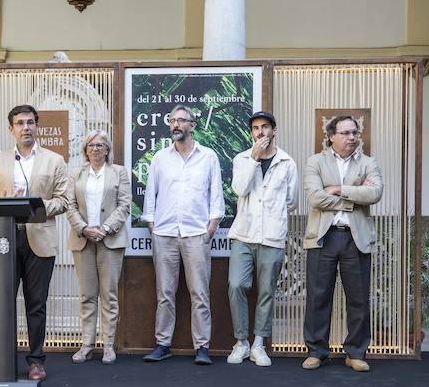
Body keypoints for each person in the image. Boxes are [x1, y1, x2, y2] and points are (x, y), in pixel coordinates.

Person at [0, 104, 68, 383]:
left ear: (37, 126)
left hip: (39, 238)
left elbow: (63, 200)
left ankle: (36, 361)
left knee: (36, 304)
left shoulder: (54, 160)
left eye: (30, 122)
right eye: (20, 123)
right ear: (11, 129)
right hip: (5, 239)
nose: (26, 127)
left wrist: (34, 205)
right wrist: (7, 205)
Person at [142, 104, 224, 366]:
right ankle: (162, 344)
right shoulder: (160, 158)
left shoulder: (208, 157)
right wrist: (152, 225)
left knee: (199, 293)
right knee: (164, 293)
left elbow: (216, 195)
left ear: (192, 125)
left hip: (196, 233)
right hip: (164, 233)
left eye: (180, 120)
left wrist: (211, 227)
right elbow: (150, 194)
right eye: (172, 120)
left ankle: (202, 347)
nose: (175, 125)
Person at [302, 115, 383, 372]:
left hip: (355, 238)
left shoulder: (368, 163)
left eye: (355, 133)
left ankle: (355, 353)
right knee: (318, 297)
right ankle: (317, 352)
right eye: (346, 133)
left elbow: (374, 193)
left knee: (358, 298)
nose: (352, 137)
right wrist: (353, 197)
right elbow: (316, 198)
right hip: (323, 236)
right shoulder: (315, 161)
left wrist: (337, 189)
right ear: (331, 137)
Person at [226, 111, 298, 367]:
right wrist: (254, 159)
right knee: (236, 285)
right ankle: (241, 342)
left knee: (267, 290)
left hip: (272, 236)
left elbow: (292, 201)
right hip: (243, 234)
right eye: (256, 128)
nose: (260, 132)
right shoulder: (242, 159)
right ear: (251, 133)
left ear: (274, 130)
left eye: (265, 127)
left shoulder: (287, 163)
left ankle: (258, 344)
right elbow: (239, 189)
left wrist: (273, 217)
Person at [66, 130, 131, 365]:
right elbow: (70, 205)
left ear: (107, 149)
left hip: (110, 240)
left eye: (100, 145)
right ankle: (87, 345)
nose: (95, 148)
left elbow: (125, 205)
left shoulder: (118, 172)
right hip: (83, 240)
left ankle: (109, 346)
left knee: (109, 296)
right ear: (85, 149)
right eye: (91, 145)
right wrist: (84, 228)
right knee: (87, 295)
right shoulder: (76, 174)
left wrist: (105, 228)